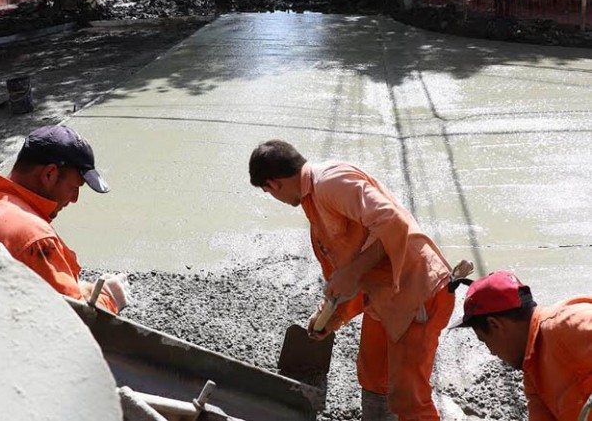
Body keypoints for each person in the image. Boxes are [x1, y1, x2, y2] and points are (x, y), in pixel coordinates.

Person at [249, 140, 454, 420]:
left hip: (416, 289)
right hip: (385, 295)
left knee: (409, 399)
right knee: (373, 376)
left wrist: (353, 272)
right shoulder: (314, 201)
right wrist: (331, 315)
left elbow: (395, 223)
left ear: (272, 185)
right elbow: (348, 268)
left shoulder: (331, 182)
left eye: (268, 192)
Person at [0, 125, 127, 314]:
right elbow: (76, 322)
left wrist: (82, 288)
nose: (74, 199)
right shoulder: (35, 238)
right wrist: (109, 298)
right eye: (75, 187)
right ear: (49, 174)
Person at [450, 270, 592, 421]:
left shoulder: (566, 324)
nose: (491, 352)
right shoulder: (533, 375)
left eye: (486, 342)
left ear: (495, 325)